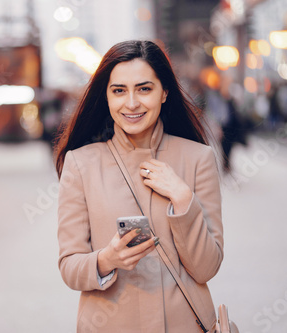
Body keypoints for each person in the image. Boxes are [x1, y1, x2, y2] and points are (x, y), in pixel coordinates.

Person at [55, 40, 224, 332]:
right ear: (106, 97)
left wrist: (183, 199)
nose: (131, 103)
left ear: (164, 93)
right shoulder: (80, 164)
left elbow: (207, 268)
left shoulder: (198, 158)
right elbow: (69, 267)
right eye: (119, 91)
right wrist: (106, 260)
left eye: (144, 89)